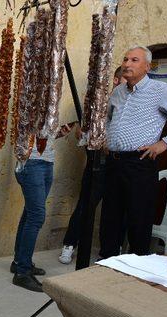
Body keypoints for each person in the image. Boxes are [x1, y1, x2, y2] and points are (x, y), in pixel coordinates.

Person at [101, 46, 167, 258]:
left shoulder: (161, 90)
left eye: (134, 60)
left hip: (140, 163)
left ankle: (137, 273)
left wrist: (164, 143)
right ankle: (107, 265)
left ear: (147, 66)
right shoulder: (118, 92)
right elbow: (109, 119)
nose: (127, 64)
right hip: (114, 163)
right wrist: (107, 139)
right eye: (125, 59)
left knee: (139, 221)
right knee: (110, 219)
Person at [59, 66, 126, 264]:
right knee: (85, 206)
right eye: (124, 81)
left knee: (117, 209)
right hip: (98, 162)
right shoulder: (98, 104)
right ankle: (69, 245)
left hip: (119, 164)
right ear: (115, 80)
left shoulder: (130, 105)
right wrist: (89, 137)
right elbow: (83, 133)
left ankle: (112, 251)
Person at [12, 124, 76, 292]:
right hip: (31, 163)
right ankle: (22, 273)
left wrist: (58, 133)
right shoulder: (31, 100)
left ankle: (19, 262)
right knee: (36, 216)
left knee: (30, 213)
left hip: (47, 162)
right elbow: (28, 131)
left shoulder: (49, 103)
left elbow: (42, 136)